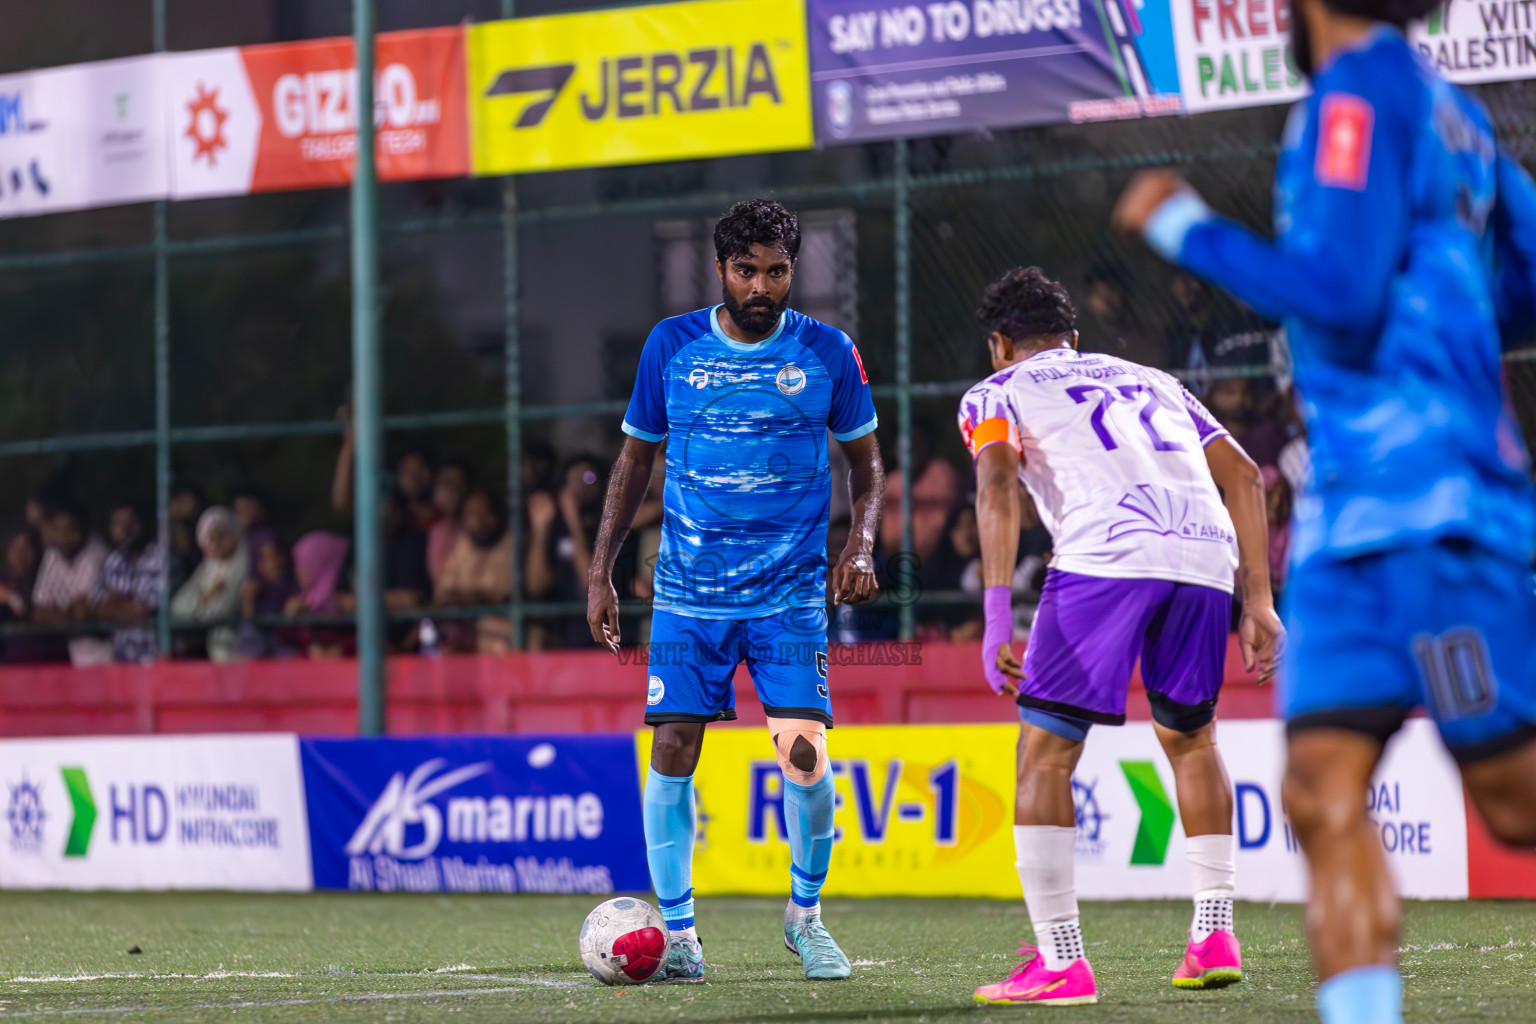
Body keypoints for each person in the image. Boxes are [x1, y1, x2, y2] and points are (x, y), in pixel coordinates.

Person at [1113, 0, 1536, 1018]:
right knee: (1317, 788)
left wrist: (1185, 224)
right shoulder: (1459, 118)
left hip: (1432, 514)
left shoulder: (1359, 93)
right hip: (1350, 530)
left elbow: (1340, 295)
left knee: (1513, 804)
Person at [959, 268, 1281, 1007]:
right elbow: (1244, 477)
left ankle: (1060, 961)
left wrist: (1000, 614)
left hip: (1106, 554)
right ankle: (1213, 935)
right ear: (1073, 338)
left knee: (1042, 753)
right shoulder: (1157, 381)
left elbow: (999, 482)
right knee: (1194, 741)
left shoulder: (996, 391)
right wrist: (1258, 602)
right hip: (1205, 556)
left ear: (1000, 345)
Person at [586, 199, 884, 982]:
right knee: (674, 749)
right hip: (689, 594)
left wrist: (862, 540)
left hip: (787, 597)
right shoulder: (672, 345)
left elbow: (868, 464)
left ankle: (805, 918)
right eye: (747, 270)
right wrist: (601, 571)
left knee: (807, 761)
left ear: (793, 269)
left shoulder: (828, 352)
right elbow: (632, 463)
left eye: (777, 270)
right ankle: (680, 935)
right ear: (721, 270)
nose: (762, 285)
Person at [434, 489, 514, 653]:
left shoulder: (510, 542)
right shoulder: (462, 542)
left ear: (493, 518)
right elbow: (443, 592)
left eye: (476, 512)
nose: (469, 519)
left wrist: (469, 597)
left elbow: (501, 593)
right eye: (467, 513)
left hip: (498, 631)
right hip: (462, 631)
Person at [31, 501, 110, 664]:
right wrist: (68, 614)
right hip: (74, 655)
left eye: (65, 530)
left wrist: (61, 613)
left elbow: (84, 613)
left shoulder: (96, 554)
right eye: (57, 529)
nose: (56, 535)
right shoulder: (53, 553)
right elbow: (39, 610)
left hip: (106, 655)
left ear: (79, 531)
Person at [170, 506, 247, 660]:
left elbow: (221, 610)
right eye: (211, 538)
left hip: (240, 650)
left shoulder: (244, 564)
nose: (217, 544)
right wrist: (206, 598)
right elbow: (177, 607)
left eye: (222, 535)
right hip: (213, 652)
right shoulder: (207, 567)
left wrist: (199, 606)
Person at [93, 503, 163, 664]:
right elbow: (96, 606)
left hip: (154, 659)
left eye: (131, 523)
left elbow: (143, 611)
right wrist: (126, 605)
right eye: (118, 523)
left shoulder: (162, 559)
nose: (125, 529)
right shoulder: (114, 561)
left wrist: (115, 602)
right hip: (120, 658)